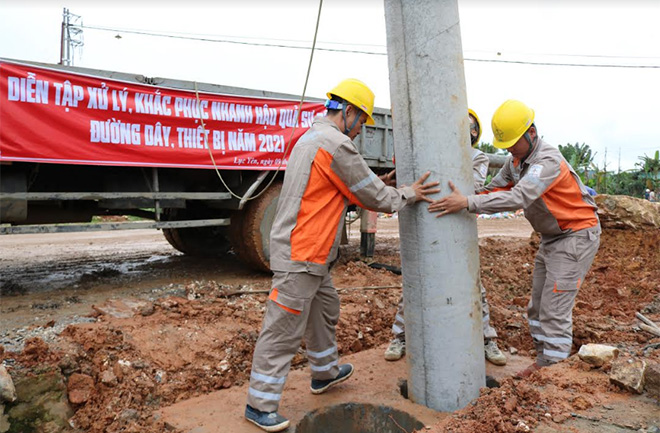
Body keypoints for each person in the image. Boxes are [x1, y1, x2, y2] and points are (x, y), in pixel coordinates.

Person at [244, 78, 440, 432]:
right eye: (362, 121)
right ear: (348, 112)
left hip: (311, 253)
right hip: (302, 253)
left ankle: (324, 372)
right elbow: (376, 199)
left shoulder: (312, 138)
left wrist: (377, 180)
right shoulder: (336, 145)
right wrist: (408, 193)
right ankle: (260, 404)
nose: (361, 129)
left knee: (324, 310)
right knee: (283, 329)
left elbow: (330, 187)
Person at [428, 100, 601, 379]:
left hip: (576, 235)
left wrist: (468, 203)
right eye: (504, 143)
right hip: (552, 238)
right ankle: (545, 363)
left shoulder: (547, 161)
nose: (508, 148)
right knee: (536, 306)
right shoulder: (516, 162)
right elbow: (493, 189)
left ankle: (553, 378)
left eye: (512, 142)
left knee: (554, 309)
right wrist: (462, 195)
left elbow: (519, 197)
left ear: (531, 133)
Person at [384, 109, 507, 366]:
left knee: (473, 285)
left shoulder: (476, 156)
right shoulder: (427, 151)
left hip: (458, 229)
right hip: (429, 227)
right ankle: (400, 336)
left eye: (469, 125)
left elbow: (469, 187)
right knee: (416, 282)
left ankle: (487, 339)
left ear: (474, 133)